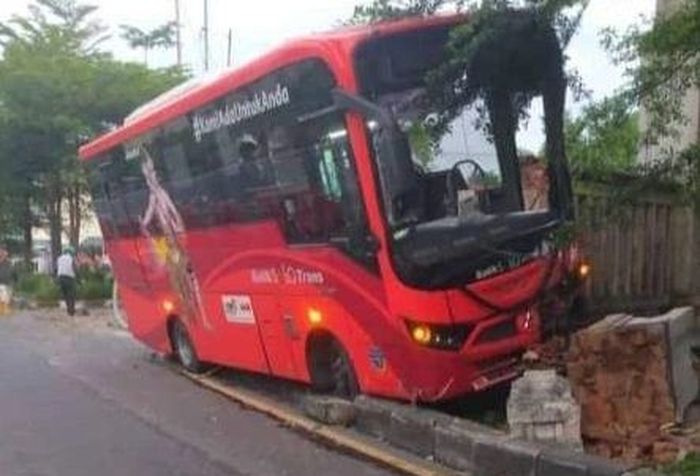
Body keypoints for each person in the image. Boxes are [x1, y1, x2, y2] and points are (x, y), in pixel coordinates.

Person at [56, 247, 77, 316]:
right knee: (71, 294)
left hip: (60, 278)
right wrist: (77, 277)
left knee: (65, 295)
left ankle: (68, 309)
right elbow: (74, 268)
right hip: (69, 278)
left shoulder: (59, 258)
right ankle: (72, 311)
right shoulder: (71, 258)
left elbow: (57, 268)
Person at [0, 247, 12, 315]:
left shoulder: (8, 262)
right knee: (2, 295)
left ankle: (4, 309)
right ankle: (2, 309)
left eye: (3, 252)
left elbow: (11, 272)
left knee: (6, 296)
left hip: (7, 282)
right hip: (1, 283)